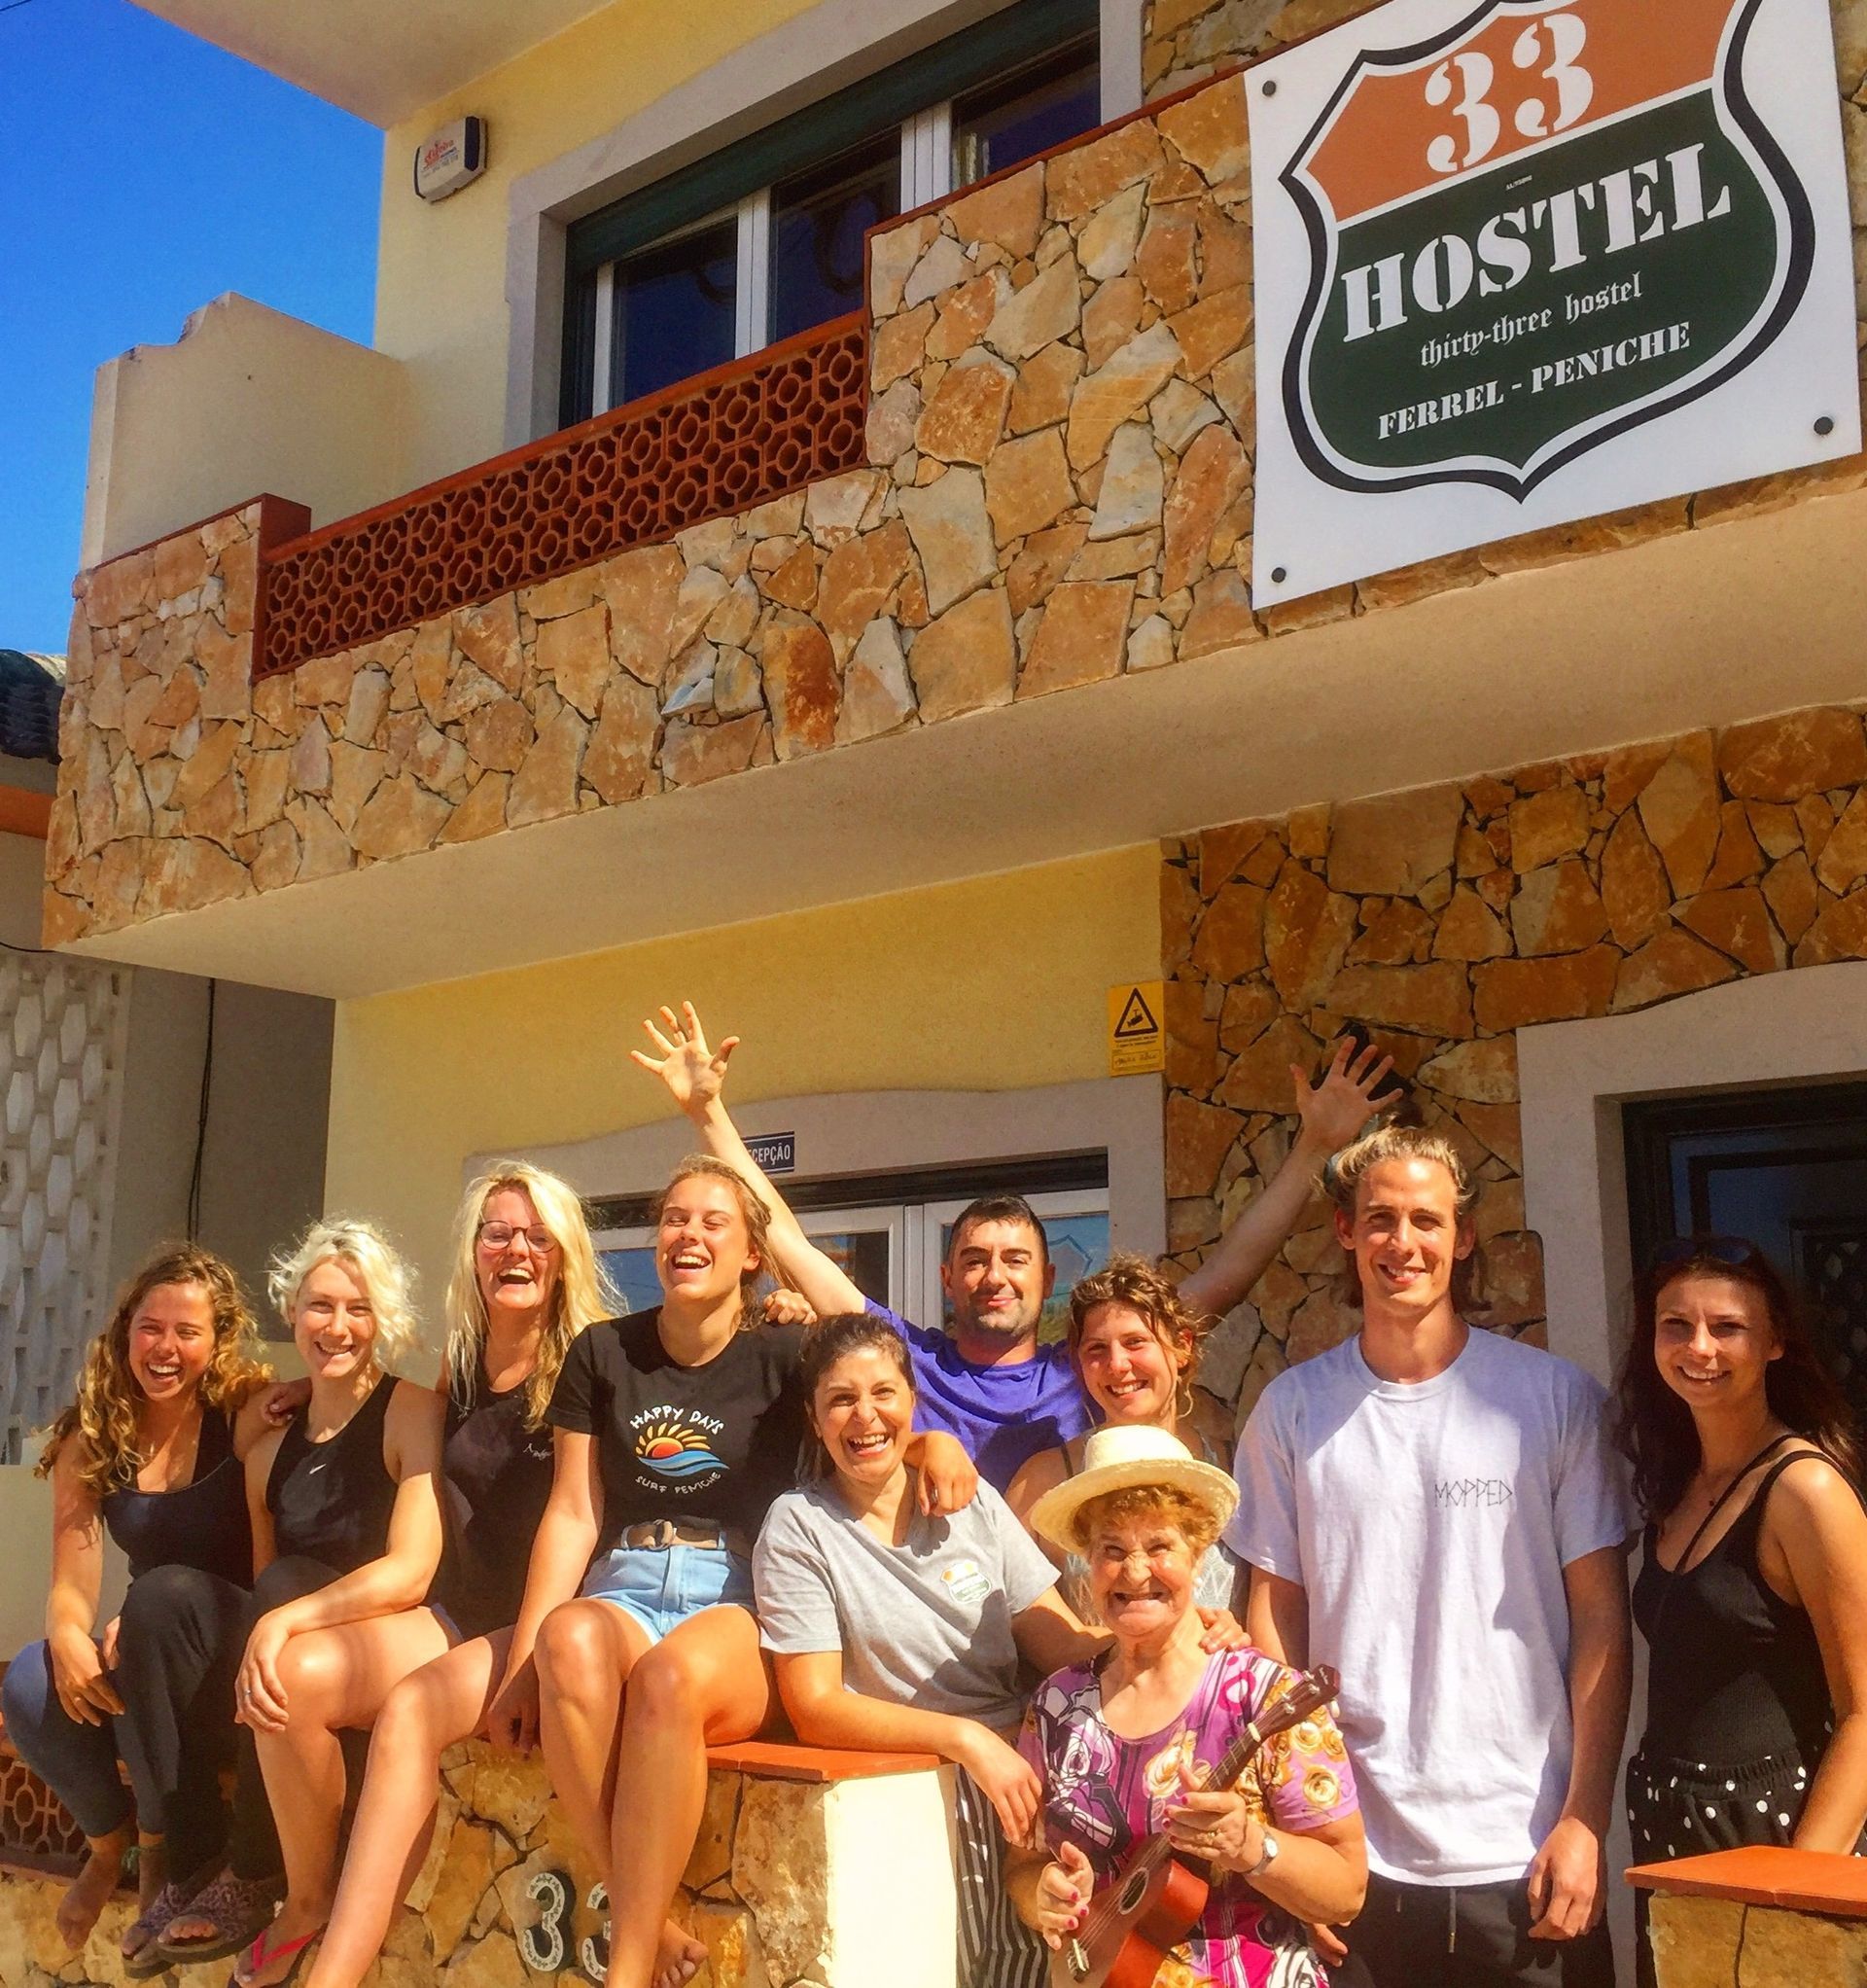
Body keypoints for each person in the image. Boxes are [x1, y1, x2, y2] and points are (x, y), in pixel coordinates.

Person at [487, 1154, 974, 1988]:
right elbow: (572, 1512)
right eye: (676, 1218)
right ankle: (640, 1904)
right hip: (628, 1578)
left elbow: (870, 1388)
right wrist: (522, 1658)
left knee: (670, 1683)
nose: (689, 1233)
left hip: (741, 1588)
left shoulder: (787, 1355)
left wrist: (934, 1438)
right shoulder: (602, 1352)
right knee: (566, 1640)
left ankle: (628, 1967)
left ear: (753, 1253)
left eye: (715, 1222)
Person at [634, 1002, 1391, 1488]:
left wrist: (1315, 1147)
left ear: (1048, 1274)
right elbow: (787, 1237)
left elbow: (1229, 1272)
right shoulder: (906, 1359)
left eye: (1014, 1259)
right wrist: (709, 1116)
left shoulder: (1093, 1365)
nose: (994, 1277)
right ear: (947, 1277)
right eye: (975, 1260)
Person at [1229, 1123, 1635, 1988]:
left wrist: (1585, 1820)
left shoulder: (1553, 1401)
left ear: (1463, 1235)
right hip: (1353, 1854)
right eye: (1379, 1220)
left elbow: (1602, 1617)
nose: (1401, 1243)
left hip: (1526, 1848)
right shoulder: (1292, 1411)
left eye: (1425, 1220)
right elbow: (1273, 1615)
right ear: (1345, 1232)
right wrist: (1298, 1829)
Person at [300, 1164, 617, 1988]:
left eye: (536, 1235)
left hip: (548, 1620)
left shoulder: (596, 1358)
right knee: (295, 1681)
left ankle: (333, 1973)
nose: (516, 1249)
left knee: (408, 1714)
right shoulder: (463, 1362)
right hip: (457, 1611)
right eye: (498, 1233)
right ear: (474, 1253)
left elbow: (575, 1522)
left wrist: (526, 1668)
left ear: (565, 1253)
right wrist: (291, 1394)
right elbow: (388, 1426)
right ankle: (305, 1899)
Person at [755, 1311, 1106, 1988]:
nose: (866, 1417)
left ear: (913, 1402)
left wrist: (1150, 1639)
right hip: (920, 1794)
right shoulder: (800, 1528)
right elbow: (816, 1706)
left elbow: (1054, 1633)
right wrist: (968, 1740)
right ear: (814, 1417)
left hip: (1032, 1776)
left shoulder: (971, 1504)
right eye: (841, 1400)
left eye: (884, 1393)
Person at [159, 1221, 446, 1988]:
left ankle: (273, 1879)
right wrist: (279, 1619)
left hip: (388, 1634)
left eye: (358, 1308)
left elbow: (414, 1569)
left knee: (283, 1597)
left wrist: (289, 1617)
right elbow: (263, 1585)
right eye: (320, 1306)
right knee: (233, 1600)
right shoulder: (266, 1449)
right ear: (294, 1314)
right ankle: (220, 1863)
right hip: (307, 1661)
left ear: (382, 1317)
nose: (338, 1327)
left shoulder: (410, 1412)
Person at [2, 1247, 296, 1967]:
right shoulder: (93, 1437)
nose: (165, 1348)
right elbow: (69, 1583)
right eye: (150, 1327)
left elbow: (333, 1398)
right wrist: (68, 1633)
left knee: (158, 1601)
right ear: (125, 1330)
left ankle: (174, 1860)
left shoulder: (246, 1417)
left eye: (187, 1332)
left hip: (235, 1651)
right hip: (154, 1645)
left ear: (218, 1340)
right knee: (32, 1684)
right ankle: (111, 1847)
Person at [1009, 1424, 1366, 1987]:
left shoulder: (1265, 1698)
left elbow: (1346, 1890)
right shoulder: (1057, 1705)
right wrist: (1042, 1896)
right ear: (1086, 1565)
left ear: (1198, 1555)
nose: (1134, 1572)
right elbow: (1024, 1862)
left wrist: (1253, 1846)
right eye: (1111, 1550)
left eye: (1159, 1546)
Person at [1615, 1238, 1867, 1982]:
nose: (1699, 1347)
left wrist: (1794, 1894)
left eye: (1727, 1327)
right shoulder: (1680, 1484)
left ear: (1774, 1342)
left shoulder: (1805, 1490)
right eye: (1675, 1325)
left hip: (1775, 1841)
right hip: (1674, 1837)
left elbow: (1865, 1712)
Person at [1006, 1253, 1240, 1617]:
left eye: (1135, 1342)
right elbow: (1019, 1619)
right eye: (1096, 1349)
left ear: (1182, 1346)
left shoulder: (1236, 1467)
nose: (1117, 1365)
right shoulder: (1043, 1483)